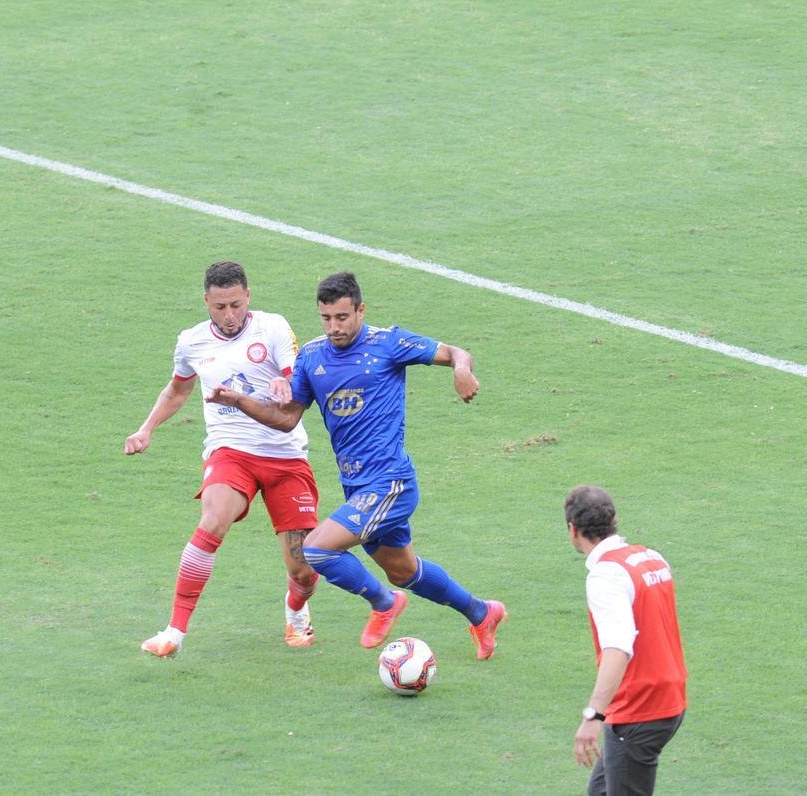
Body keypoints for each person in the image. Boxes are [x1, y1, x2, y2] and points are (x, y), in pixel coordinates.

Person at [206, 271, 507, 659]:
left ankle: (384, 603)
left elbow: (455, 353)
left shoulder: (389, 343)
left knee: (316, 551)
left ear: (361, 310)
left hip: (391, 483)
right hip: (358, 487)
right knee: (404, 570)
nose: (334, 327)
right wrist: (240, 401)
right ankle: (482, 613)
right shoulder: (312, 356)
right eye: (326, 318)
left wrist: (462, 371)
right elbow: (286, 419)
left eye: (343, 318)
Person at [124, 261, 321, 657]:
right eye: (219, 307)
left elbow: (295, 374)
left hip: (284, 455)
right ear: (206, 302)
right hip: (230, 451)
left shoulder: (274, 328)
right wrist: (146, 429)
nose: (229, 316)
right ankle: (174, 632)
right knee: (213, 521)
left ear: (248, 296)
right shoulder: (192, 342)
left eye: (235, 305)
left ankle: (296, 609)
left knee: (304, 567)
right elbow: (177, 391)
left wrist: (286, 381)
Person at [566, 485, 687, 796]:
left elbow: (618, 648)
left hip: (639, 711)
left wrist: (593, 715)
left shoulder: (606, 576)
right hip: (668, 697)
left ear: (573, 530)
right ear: (613, 520)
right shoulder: (651, 557)